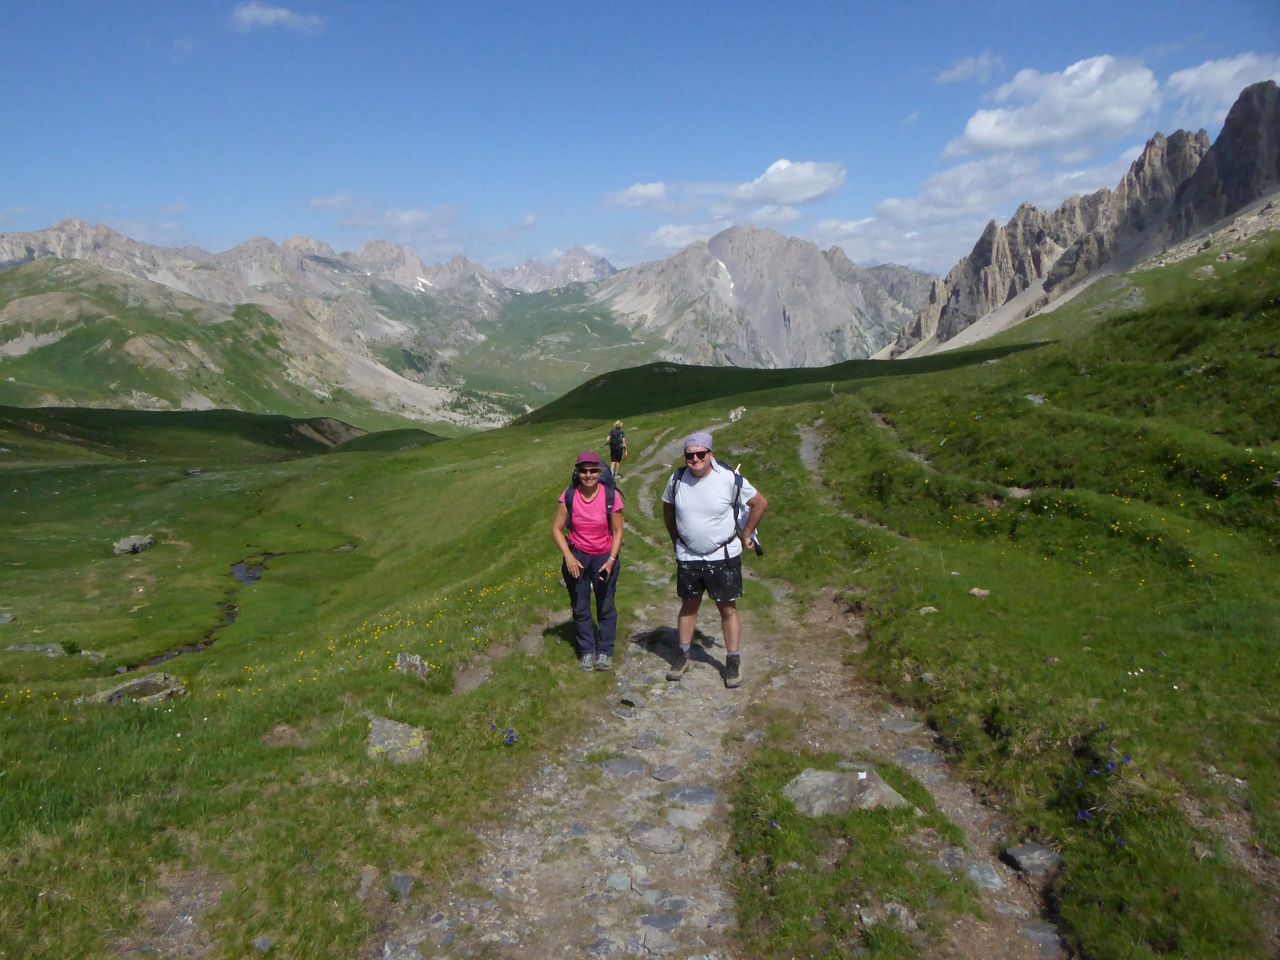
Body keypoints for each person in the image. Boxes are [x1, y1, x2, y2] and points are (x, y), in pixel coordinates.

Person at [661, 431, 767, 688]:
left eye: (700, 454)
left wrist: (746, 533)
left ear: (711, 454)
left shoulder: (729, 479)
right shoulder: (677, 479)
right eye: (690, 455)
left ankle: (732, 661)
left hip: (723, 555)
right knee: (689, 605)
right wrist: (676, 540)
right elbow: (668, 509)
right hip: (689, 556)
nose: (695, 459)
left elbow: (759, 503)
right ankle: (682, 655)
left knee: (727, 608)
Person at [552, 450, 624, 671]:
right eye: (584, 471)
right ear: (577, 472)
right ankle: (587, 651)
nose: (588, 475)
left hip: (604, 557)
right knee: (580, 605)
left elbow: (618, 531)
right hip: (578, 557)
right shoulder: (569, 495)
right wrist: (569, 557)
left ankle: (605, 651)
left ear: (599, 472)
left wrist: (611, 560)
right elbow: (556, 529)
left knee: (606, 604)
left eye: (593, 470)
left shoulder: (611, 496)